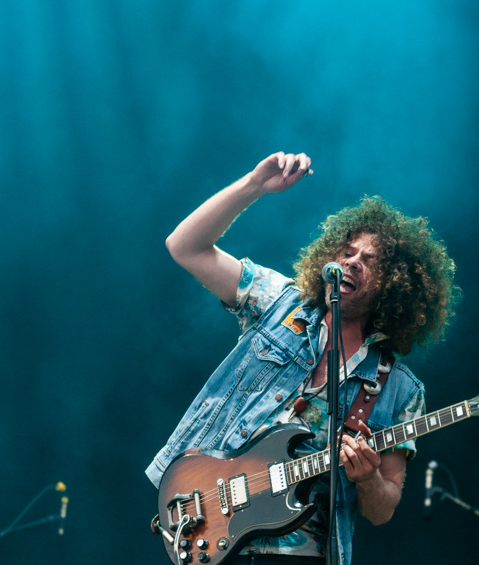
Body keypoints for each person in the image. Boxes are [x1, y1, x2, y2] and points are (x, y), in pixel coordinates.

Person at [146, 152, 460, 565]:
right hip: (209, 526)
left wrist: (368, 480)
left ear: (396, 287)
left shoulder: (400, 390)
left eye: (371, 261)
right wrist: (255, 185)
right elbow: (184, 246)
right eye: (348, 252)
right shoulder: (279, 301)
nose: (352, 262)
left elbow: (383, 510)